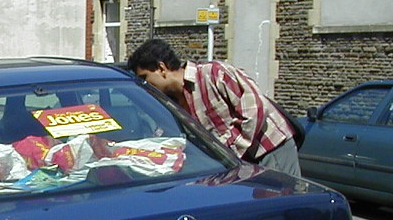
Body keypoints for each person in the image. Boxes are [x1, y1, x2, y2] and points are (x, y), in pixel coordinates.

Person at [127, 38, 301, 177]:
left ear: (161, 68)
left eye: (145, 77)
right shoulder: (173, 102)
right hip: (236, 164)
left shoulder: (215, 74)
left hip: (267, 149)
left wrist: (225, 154)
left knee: (283, 207)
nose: (146, 85)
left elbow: (253, 109)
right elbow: (170, 136)